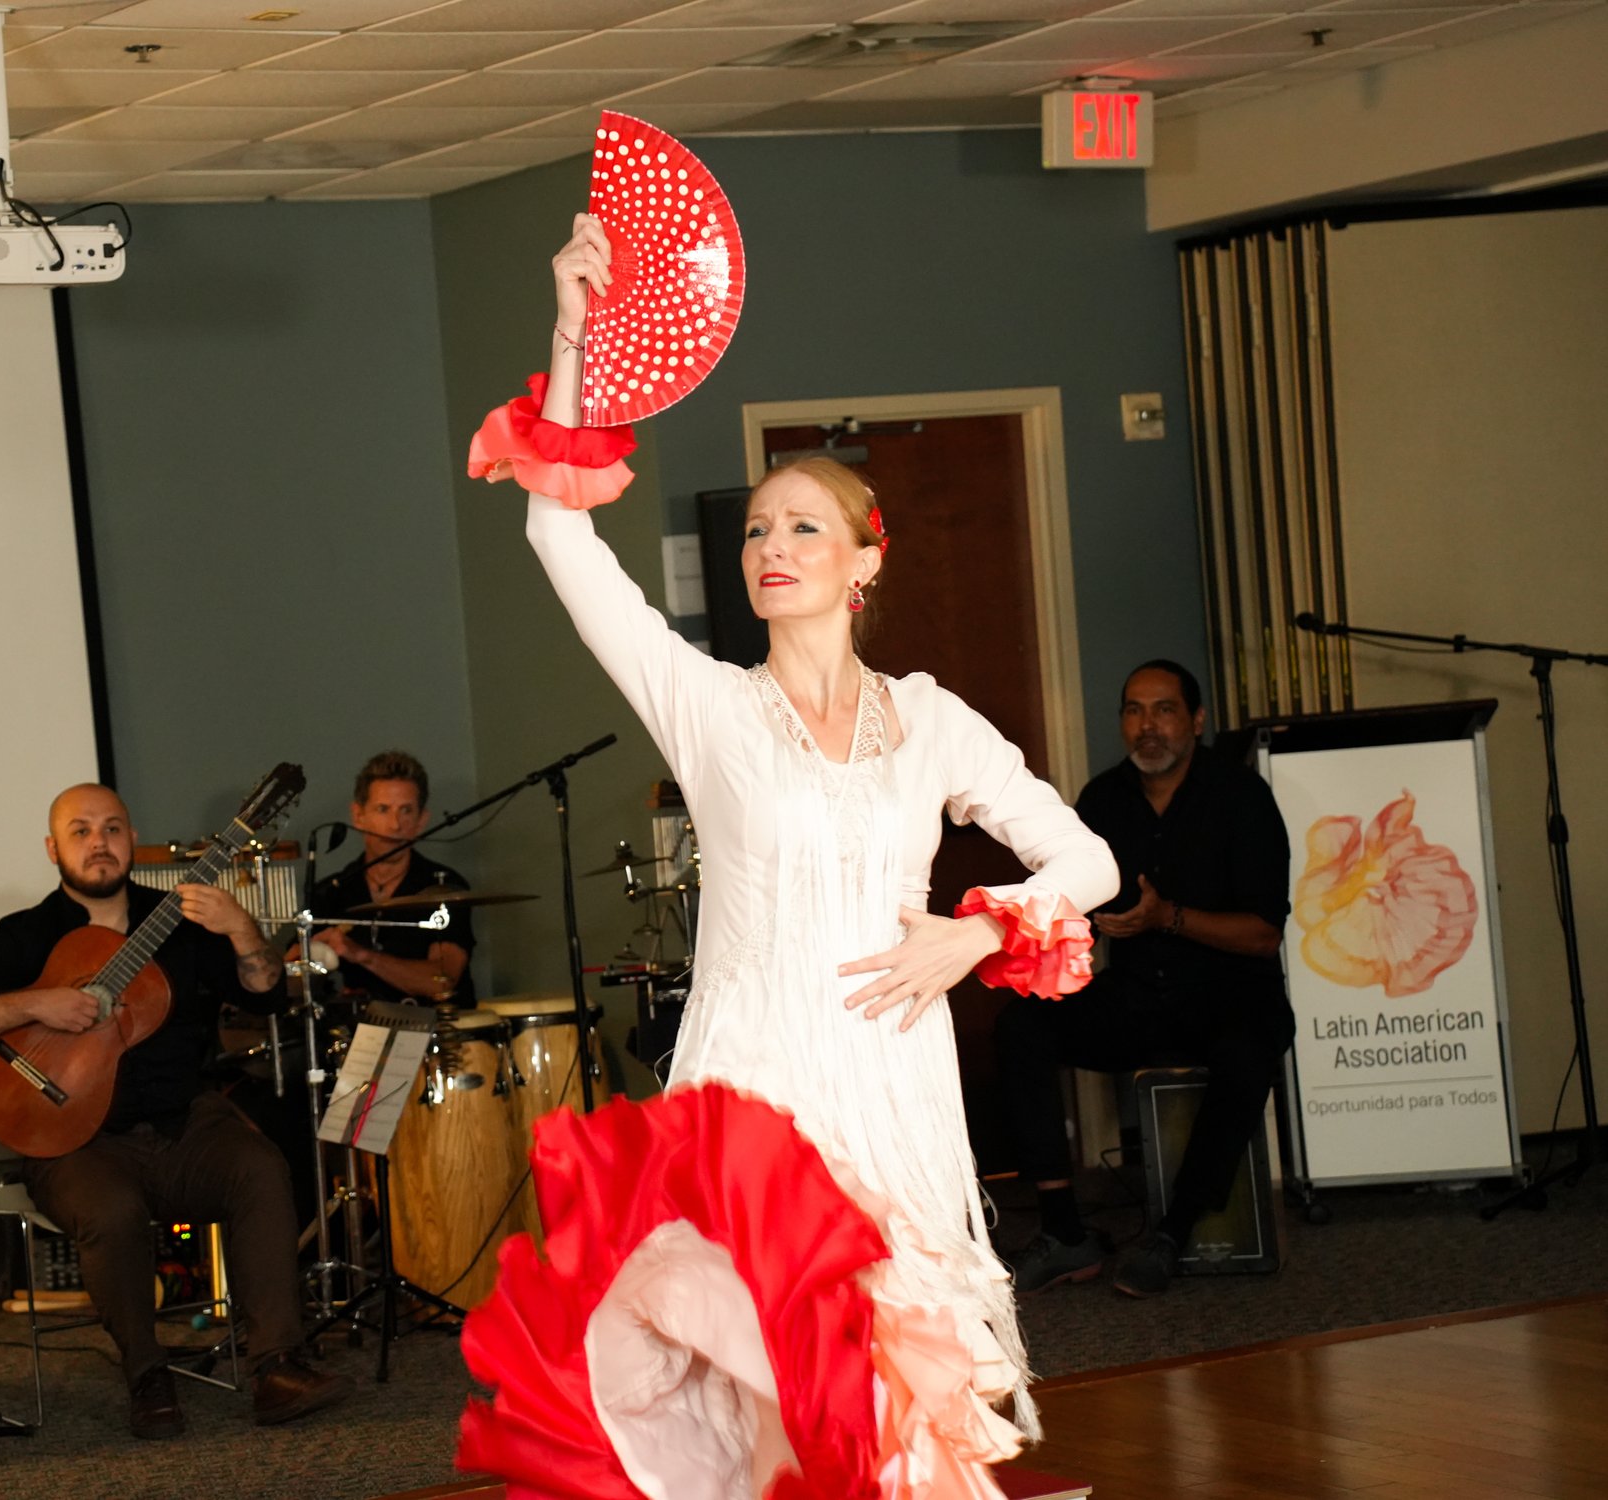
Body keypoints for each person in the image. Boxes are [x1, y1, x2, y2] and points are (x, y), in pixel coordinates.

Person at [456, 216, 1120, 1500]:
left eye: (804, 530)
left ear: (866, 560)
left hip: (893, 1085)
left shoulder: (930, 721)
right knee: (768, 1404)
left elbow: (1085, 863)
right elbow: (557, 540)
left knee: (893, 1398)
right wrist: (575, 330)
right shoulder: (705, 706)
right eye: (760, 530)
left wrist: (978, 930)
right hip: (751, 1092)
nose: (771, 549)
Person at [0, 784, 351, 1438]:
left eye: (112, 828)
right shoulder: (28, 934)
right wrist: (34, 1005)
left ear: (131, 838)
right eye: (81, 830)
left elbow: (264, 996)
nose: (99, 842)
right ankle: (148, 1377)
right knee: (113, 1212)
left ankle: (276, 1366)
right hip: (75, 1142)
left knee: (260, 1168)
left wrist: (240, 928)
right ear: (52, 848)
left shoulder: (184, 918)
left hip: (184, 1123)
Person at [996, 661, 1293, 1298]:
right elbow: (1075, 911)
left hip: (1228, 995)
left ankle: (1172, 1233)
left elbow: (1265, 934)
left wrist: (1168, 917)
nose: (1148, 727)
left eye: (1164, 710)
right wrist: (1063, 932)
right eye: (1134, 711)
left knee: (1249, 1048)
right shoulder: (1103, 800)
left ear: (1196, 720)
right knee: (1022, 1021)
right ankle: (1063, 1229)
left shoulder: (1241, 797)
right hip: (1139, 997)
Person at [305, 751, 477, 1007]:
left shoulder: (443, 886)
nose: (395, 825)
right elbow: (292, 979)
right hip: (360, 1036)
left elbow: (441, 980)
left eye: (406, 811)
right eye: (383, 809)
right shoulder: (332, 891)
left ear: (421, 820)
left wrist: (360, 954)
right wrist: (306, 953)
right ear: (358, 815)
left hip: (438, 1033)